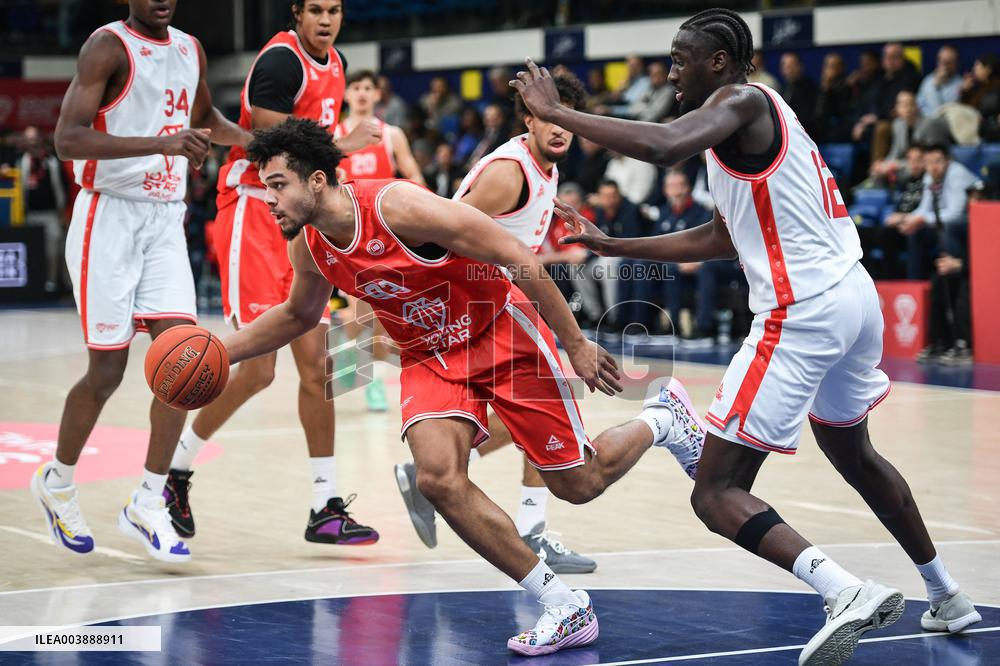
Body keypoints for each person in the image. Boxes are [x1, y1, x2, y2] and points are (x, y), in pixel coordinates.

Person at [512, 8, 982, 664]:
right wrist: (611, 241)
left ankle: (842, 590)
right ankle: (948, 595)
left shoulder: (739, 102)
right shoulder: (740, 131)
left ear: (721, 64)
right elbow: (721, 237)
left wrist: (556, 113)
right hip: (854, 300)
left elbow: (660, 145)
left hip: (805, 312)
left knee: (715, 490)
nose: (672, 69)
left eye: (683, 58)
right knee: (854, 454)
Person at [224, 116, 706, 655]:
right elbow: (295, 314)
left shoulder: (398, 206)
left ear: (316, 181)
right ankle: (565, 605)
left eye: (276, 185)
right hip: (429, 355)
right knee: (437, 478)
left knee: (579, 483)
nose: (268, 198)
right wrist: (223, 351)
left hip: (500, 330)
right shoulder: (310, 247)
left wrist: (573, 344)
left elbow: (515, 256)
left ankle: (663, 418)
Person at [31, 0, 249, 563]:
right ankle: (57, 482)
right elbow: (68, 141)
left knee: (184, 362)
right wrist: (163, 142)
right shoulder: (106, 47)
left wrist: (259, 141)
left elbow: (206, 121)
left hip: (164, 220)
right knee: (106, 371)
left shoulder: (190, 48)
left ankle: (149, 500)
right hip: (108, 217)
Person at [168, 0, 380, 546]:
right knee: (258, 371)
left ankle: (323, 505)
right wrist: (343, 146)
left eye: (334, 9)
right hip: (252, 212)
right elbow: (269, 140)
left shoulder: (335, 63)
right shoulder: (281, 61)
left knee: (317, 369)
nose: (326, 19)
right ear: (297, 13)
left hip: (300, 220)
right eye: (316, 9)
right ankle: (174, 471)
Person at [393, 74, 600, 573]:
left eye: (566, 119)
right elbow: (441, 229)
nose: (559, 129)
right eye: (547, 117)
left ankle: (432, 470)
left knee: (546, 404)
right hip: (481, 303)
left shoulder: (543, 169)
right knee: (558, 396)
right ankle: (530, 529)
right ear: (527, 118)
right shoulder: (510, 173)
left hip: (498, 299)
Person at [334, 69, 426, 411]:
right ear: (346, 95)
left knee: (378, 312)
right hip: (344, 235)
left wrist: (421, 210)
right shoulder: (335, 135)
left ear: (377, 95)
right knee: (359, 312)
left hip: (386, 234)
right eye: (355, 87)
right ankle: (346, 344)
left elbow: (414, 176)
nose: (361, 93)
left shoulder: (392, 135)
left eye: (367, 88)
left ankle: (371, 380)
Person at [18, 126, 68, 293]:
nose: (32, 141)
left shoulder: (52, 161)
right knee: (30, 250)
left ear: (40, 139)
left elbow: (61, 189)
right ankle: (32, 283)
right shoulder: (21, 161)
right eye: (28, 138)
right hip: (28, 214)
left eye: (35, 137)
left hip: (50, 214)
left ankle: (51, 282)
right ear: (24, 141)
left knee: (53, 249)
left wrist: (61, 214)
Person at [917, 45, 963, 116]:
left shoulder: (960, 84)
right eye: (941, 61)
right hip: (924, 121)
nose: (944, 66)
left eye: (948, 63)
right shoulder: (928, 80)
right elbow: (919, 104)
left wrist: (935, 86)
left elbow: (940, 111)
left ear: (955, 64)